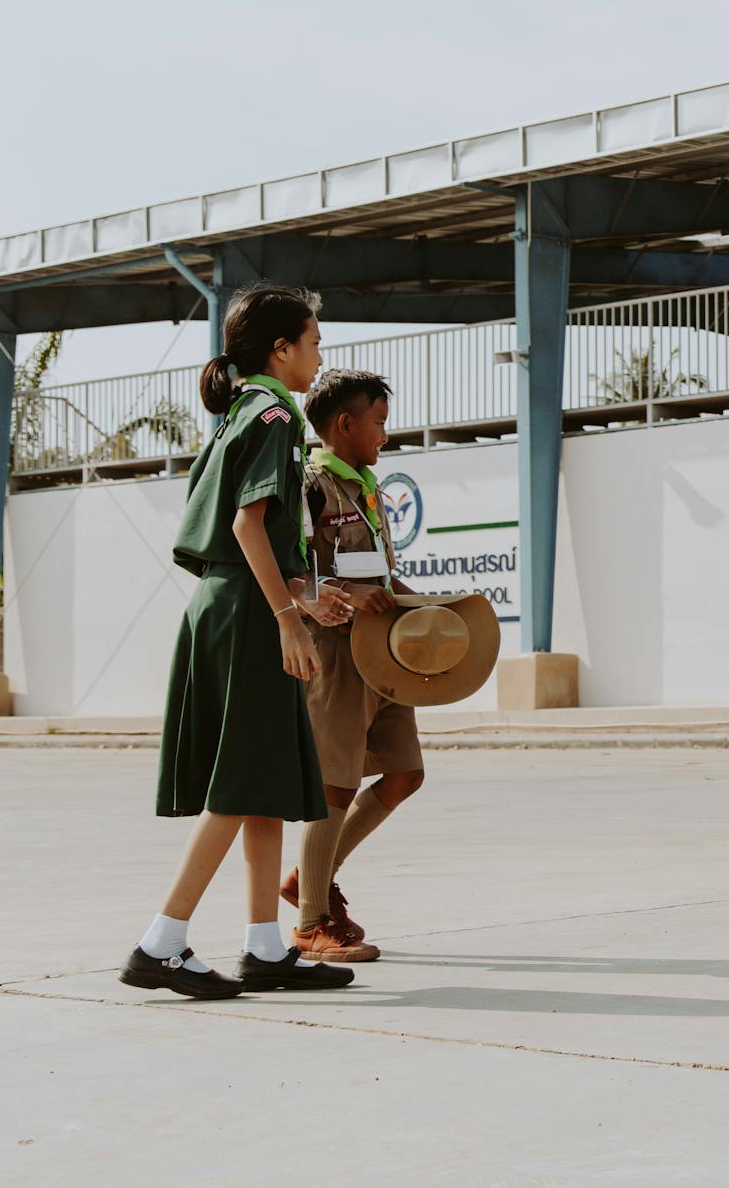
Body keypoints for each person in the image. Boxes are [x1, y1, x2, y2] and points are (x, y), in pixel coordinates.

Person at [120, 286, 357, 998]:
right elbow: (246, 527)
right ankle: (161, 942)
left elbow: (249, 532)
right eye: (313, 343)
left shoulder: (239, 411)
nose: (319, 357)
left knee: (260, 784)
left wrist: (308, 596)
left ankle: (263, 947)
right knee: (240, 783)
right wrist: (290, 615)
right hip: (251, 614)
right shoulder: (278, 413)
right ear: (280, 349)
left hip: (226, 605)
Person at [282, 369, 425, 963]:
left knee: (403, 774)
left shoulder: (365, 484)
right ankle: (311, 922)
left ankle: (308, 877)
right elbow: (287, 569)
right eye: (379, 422)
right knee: (336, 782)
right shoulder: (310, 483)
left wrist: (414, 600)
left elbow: (376, 570)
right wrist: (342, 589)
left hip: (384, 649)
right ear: (344, 424)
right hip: (336, 650)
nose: (385, 437)